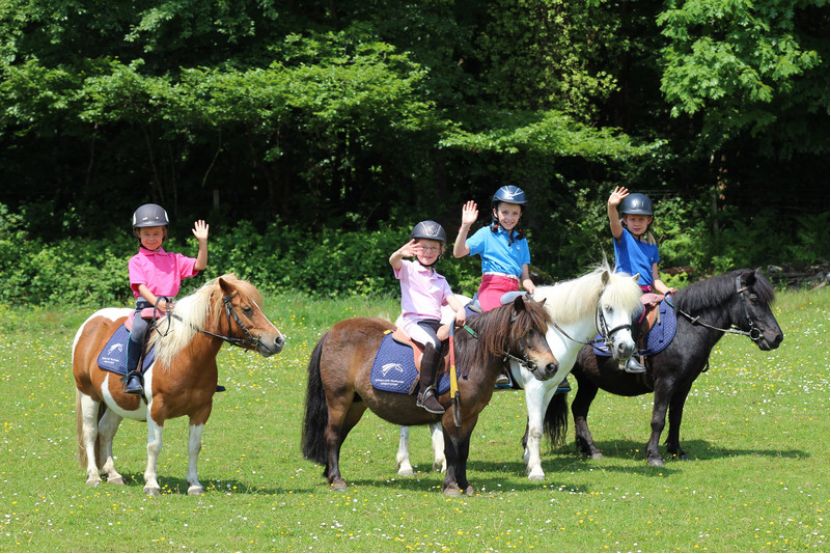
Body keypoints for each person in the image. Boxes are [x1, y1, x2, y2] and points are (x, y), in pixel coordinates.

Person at [453, 184, 536, 387]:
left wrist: (530, 285)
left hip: (513, 290)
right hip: (491, 289)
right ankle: (500, 368)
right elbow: (458, 252)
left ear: (520, 214)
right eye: (505, 212)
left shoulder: (521, 240)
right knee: (498, 315)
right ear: (495, 212)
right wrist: (465, 226)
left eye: (514, 213)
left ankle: (540, 364)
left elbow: (524, 276)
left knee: (536, 314)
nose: (509, 217)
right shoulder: (485, 234)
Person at [124, 203, 209, 394]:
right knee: (138, 331)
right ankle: (132, 375)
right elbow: (140, 286)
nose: (152, 238)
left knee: (199, 331)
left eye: (156, 233)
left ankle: (201, 376)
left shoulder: (174, 259)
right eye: (147, 234)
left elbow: (200, 265)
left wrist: (202, 242)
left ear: (164, 233)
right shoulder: (136, 261)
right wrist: (157, 302)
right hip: (147, 307)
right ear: (138, 234)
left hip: (172, 308)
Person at [390, 221, 466, 414]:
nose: (428, 251)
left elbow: (451, 300)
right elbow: (393, 261)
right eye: (423, 247)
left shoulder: (441, 280)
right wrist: (400, 252)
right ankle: (425, 393)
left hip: (434, 323)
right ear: (414, 248)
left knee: (459, 337)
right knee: (432, 343)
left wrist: (461, 311)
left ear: (441, 251)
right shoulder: (408, 269)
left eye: (434, 248)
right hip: (413, 321)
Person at [607, 186, 675, 373]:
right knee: (635, 313)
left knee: (670, 310)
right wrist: (611, 207)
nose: (637, 223)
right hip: (626, 292)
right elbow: (613, 223)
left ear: (649, 221)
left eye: (641, 219)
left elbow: (655, 280)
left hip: (646, 291)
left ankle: (664, 355)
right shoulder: (622, 239)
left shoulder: (651, 248)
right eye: (633, 219)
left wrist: (667, 291)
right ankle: (628, 357)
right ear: (625, 220)